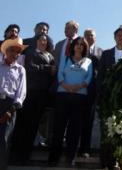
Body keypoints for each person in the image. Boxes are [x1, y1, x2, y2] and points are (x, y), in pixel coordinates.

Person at [11, 33, 56, 164]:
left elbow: (54, 71)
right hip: (30, 93)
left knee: (33, 126)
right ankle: (15, 155)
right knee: (23, 124)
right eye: (41, 39)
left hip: (43, 95)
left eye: (45, 40)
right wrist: (48, 68)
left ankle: (25, 155)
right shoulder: (31, 53)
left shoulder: (50, 56)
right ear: (36, 41)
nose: (43, 42)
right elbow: (30, 68)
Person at [48, 37, 92, 167]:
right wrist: (67, 86)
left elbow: (89, 78)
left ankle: (70, 157)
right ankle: (53, 158)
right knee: (59, 127)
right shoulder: (66, 58)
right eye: (77, 44)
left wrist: (78, 87)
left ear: (85, 48)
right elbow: (60, 74)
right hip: (63, 95)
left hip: (80, 97)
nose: (79, 46)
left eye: (82, 45)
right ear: (73, 46)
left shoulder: (88, 61)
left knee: (75, 129)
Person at [97, 28, 122, 170]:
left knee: (121, 128)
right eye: (119, 35)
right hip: (107, 97)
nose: (121, 37)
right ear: (114, 37)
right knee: (106, 128)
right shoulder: (106, 54)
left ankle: (116, 161)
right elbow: (100, 76)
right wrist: (100, 94)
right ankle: (104, 161)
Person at [0, 38, 27, 170]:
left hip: (9, 105)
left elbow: (21, 93)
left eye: (17, 51)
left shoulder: (21, 70)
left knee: (4, 139)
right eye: (12, 50)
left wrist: (10, 110)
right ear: (6, 51)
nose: (14, 53)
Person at [78, 29, 102, 158]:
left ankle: (84, 149)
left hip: (92, 91)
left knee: (88, 121)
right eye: (86, 35)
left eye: (91, 35)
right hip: (77, 90)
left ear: (95, 38)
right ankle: (72, 147)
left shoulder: (101, 52)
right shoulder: (78, 50)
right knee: (75, 120)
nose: (89, 37)